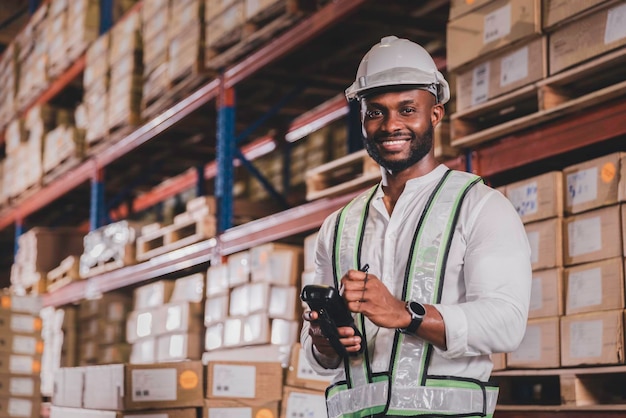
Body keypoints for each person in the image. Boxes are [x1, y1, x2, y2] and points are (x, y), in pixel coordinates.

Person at [300, 36, 532, 418]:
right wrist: (324, 343)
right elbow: (318, 358)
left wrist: (407, 314)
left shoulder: (480, 207)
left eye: (407, 109)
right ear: (362, 119)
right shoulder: (338, 227)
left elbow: (506, 324)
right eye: (376, 112)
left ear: (435, 114)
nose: (391, 125)